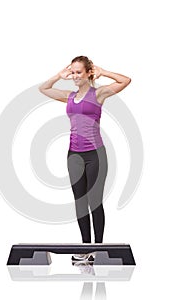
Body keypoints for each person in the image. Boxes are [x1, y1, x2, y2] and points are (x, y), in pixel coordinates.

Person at [39, 56, 131, 262]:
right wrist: (58, 75)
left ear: (88, 72)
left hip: (95, 154)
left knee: (94, 202)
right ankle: (85, 249)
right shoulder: (69, 96)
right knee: (80, 203)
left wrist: (104, 71)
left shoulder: (98, 94)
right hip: (74, 155)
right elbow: (43, 89)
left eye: (78, 72)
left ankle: (97, 249)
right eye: (72, 72)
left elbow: (125, 81)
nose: (74, 76)